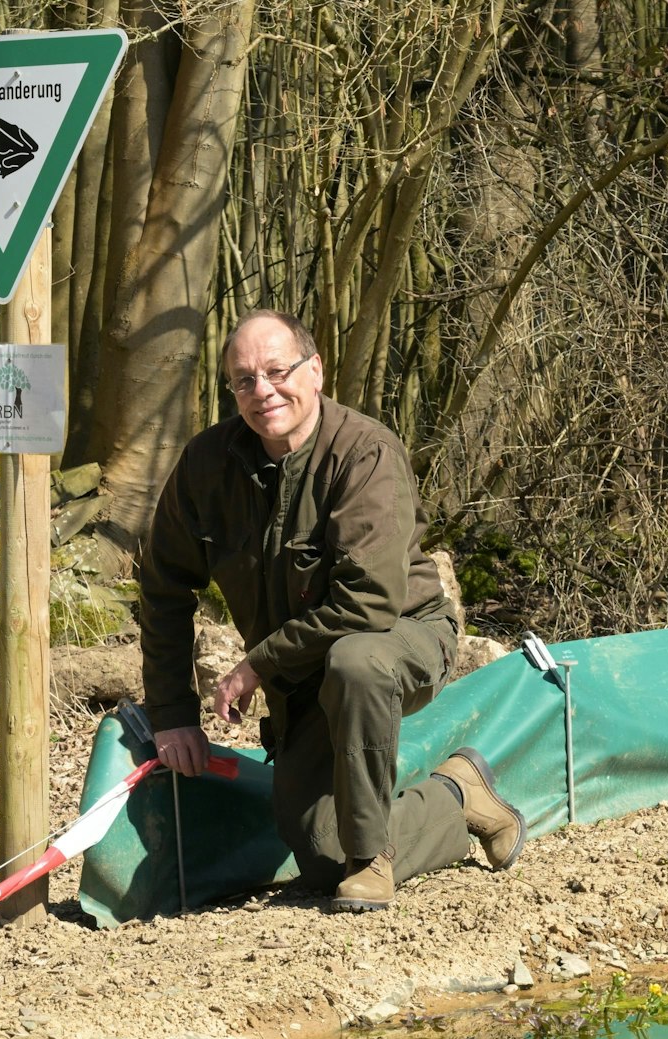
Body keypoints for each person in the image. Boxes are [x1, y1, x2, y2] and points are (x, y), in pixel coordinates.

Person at [136, 309, 526, 911]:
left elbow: (368, 603)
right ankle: (457, 794)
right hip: (305, 674)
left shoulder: (365, 452)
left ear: (314, 371)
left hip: (402, 636)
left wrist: (256, 666)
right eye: (244, 380)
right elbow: (163, 587)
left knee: (357, 660)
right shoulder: (206, 466)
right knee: (320, 855)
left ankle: (373, 861)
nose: (262, 391)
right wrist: (171, 712)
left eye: (276, 371)